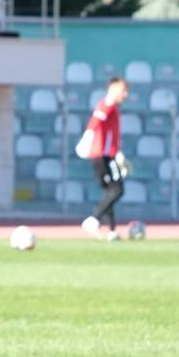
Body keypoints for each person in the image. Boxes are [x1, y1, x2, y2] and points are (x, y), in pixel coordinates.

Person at [79, 74, 130, 240]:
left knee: (110, 191)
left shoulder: (112, 106)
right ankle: (94, 219)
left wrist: (119, 154)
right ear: (113, 89)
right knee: (117, 189)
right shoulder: (107, 104)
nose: (126, 94)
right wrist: (87, 136)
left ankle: (112, 230)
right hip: (103, 155)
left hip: (106, 155)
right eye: (123, 90)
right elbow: (96, 119)